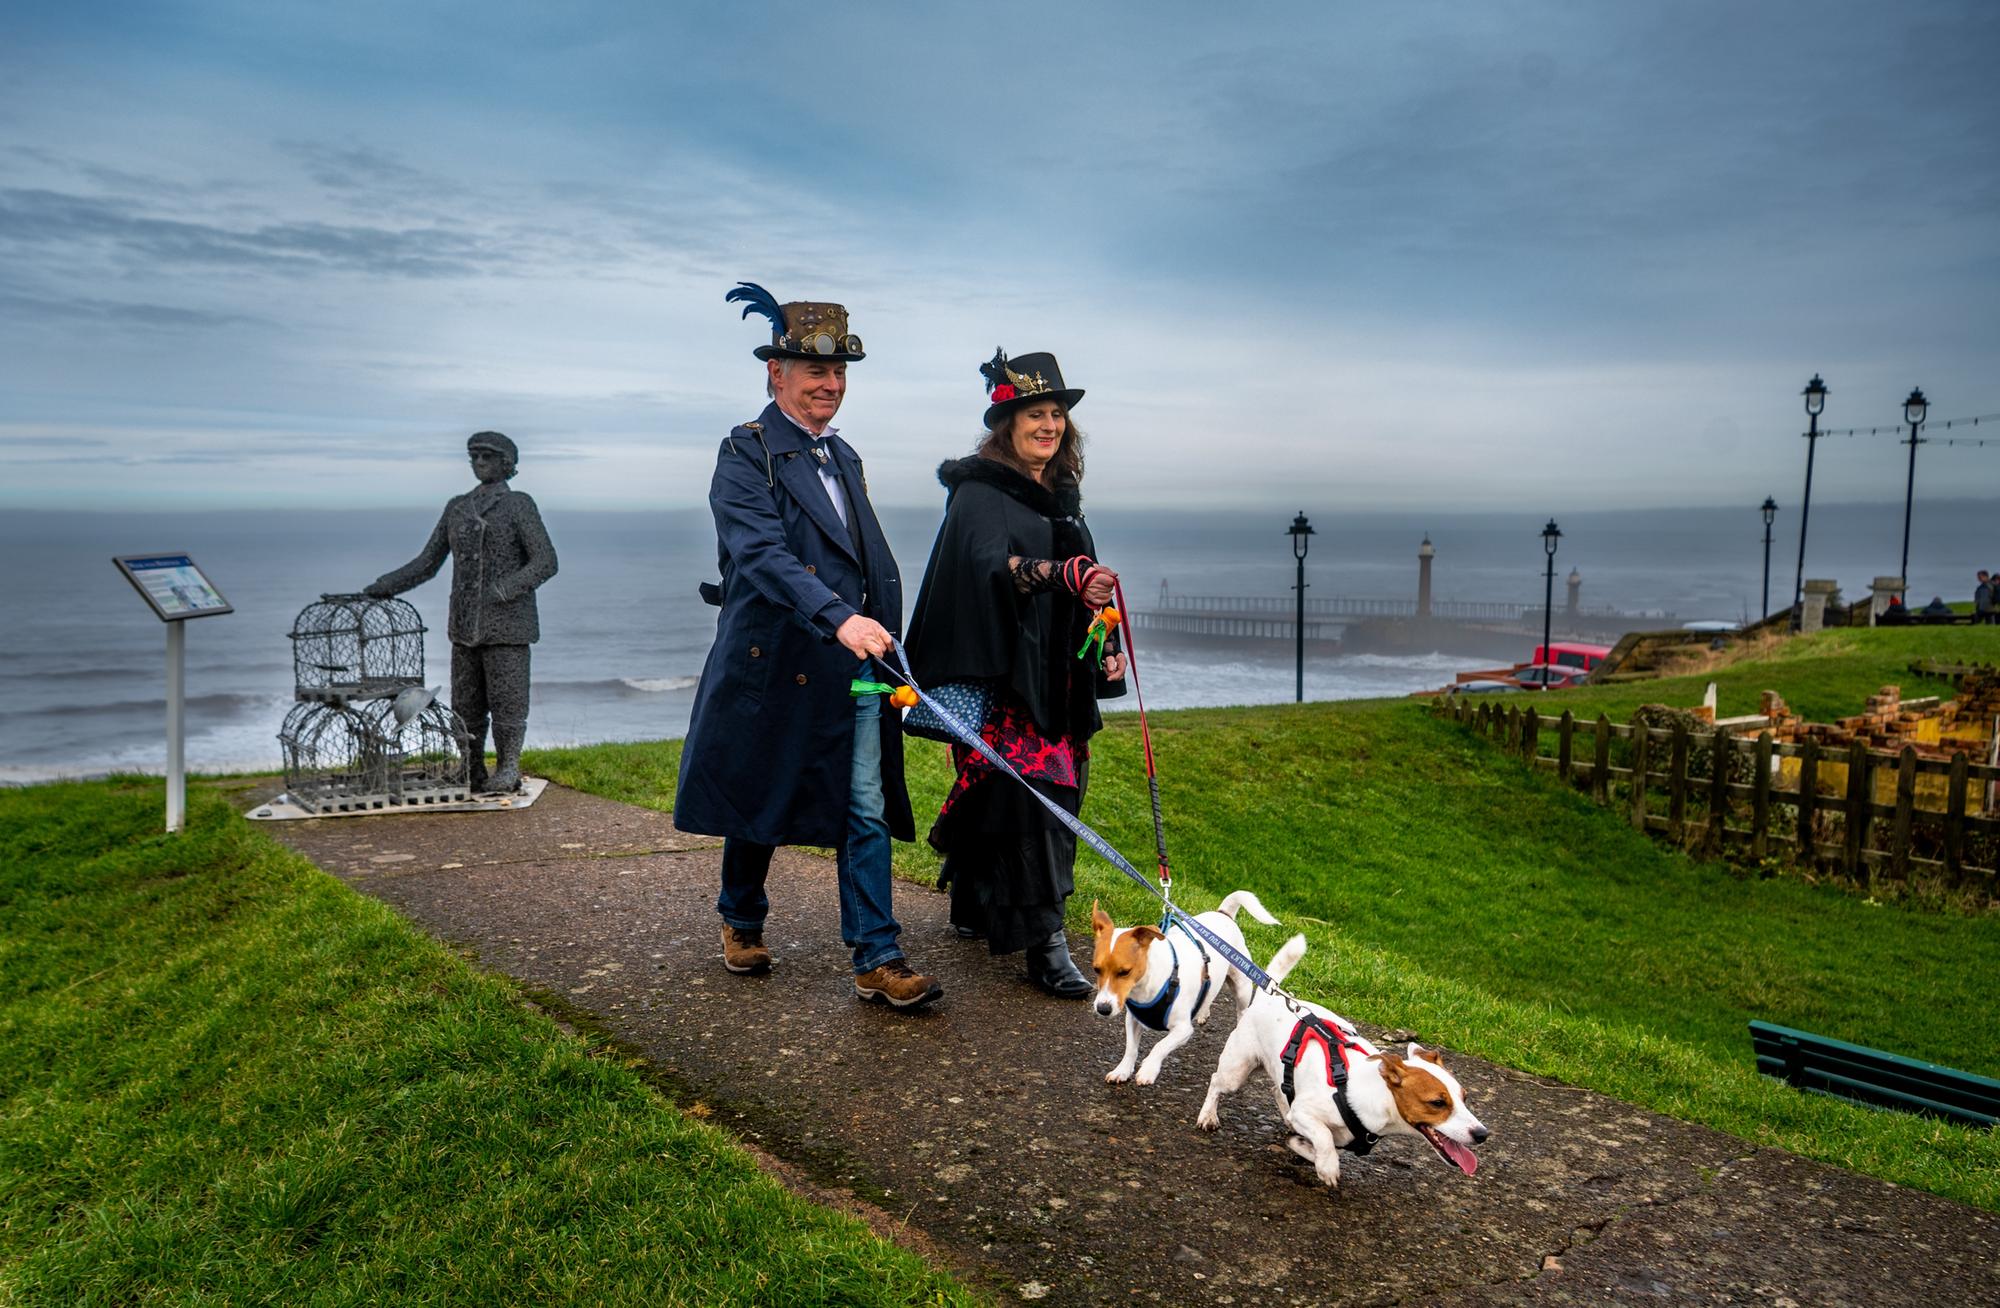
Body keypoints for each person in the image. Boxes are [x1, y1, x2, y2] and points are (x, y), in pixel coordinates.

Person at [674, 282, 942, 1010]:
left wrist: (885, 636)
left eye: (839, 373)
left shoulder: (844, 455)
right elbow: (761, 555)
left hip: (849, 665)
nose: (830, 385)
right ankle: (741, 916)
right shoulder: (745, 453)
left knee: (864, 804)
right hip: (776, 660)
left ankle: (876, 956)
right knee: (761, 796)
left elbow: (862, 556)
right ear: (776, 374)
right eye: (815, 372)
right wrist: (837, 615)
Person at [904, 348, 1127, 999]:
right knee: (1040, 804)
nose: (1049, 425)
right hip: (1005, 681)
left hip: (1059, 676)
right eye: (1037, 413)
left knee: (1038, 792)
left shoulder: (1060, 495)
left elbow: (1080, 577)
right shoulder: (980, 491)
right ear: (1008, 422)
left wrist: (1102, 634)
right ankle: (1045, 942)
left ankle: (976, 902)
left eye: (1057, 413)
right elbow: (987, 568)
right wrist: (1058, 575)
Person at [367, 432, 557, 793]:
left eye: (488, 456)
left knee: (508, 702)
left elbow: (545, 561)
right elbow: (428, 561)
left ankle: (508, 768)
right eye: (474, 456)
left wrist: (505, 590)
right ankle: (471, 768)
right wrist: (384, 585)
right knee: (466, 705)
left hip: (509, 626)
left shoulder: (519, 504)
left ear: (507, 464)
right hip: (465, 626)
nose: (480, 463)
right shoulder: (457, 507)